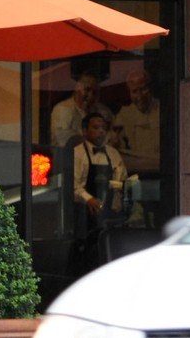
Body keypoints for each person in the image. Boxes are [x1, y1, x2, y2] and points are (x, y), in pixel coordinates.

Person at [74, 111, 126, 271]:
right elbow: (73, 185)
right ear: (85, 131)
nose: (101, 131)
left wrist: (118, 192)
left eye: (103, 128)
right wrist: (88, 199)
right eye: (96, 127)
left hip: (109, 213)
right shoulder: (77, 153)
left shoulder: (113, 153)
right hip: (83, 215)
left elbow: (121, 177)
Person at [112, 69, 160, 174]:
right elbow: (114, 139)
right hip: (136, 170)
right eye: (134, 91)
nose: (139, 95)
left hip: (158, 167)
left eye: (143, 89)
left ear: (150, 88)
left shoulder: (163, 110)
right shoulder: (125, 114)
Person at [50, 70, 103, 146]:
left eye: (94, 92)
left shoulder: (98, 111)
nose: (90, 96)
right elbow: (63, 139)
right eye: (87, 90)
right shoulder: (63, 109)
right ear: (77, 88)